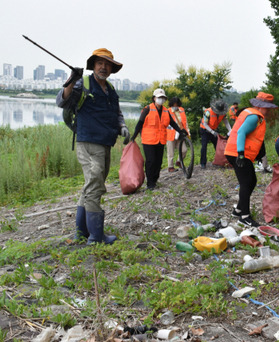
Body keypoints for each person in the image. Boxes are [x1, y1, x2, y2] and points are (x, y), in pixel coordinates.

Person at [56, 48, 130, 245]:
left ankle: (81, 233)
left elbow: (117, 113)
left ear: (112, 69)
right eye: (100, 63)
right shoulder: (83, 83)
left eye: (107, 65)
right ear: (93, 65)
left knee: (91, 186)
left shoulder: (111, 90)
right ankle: (96, 237)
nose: (103, 67)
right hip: (88, 143)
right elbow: (61, 101)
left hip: (105, 144)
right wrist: (72, 80)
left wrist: (122, 126)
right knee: (95, 186)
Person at [225, 92, 278, 227]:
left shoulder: (252, 114)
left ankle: (238, 210)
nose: (268, 110)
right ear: (260, 106)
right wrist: (241, 154)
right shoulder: (254, 116)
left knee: (251, 180)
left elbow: (256, 138)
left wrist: (259, 155)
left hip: (239, 152)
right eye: (267, 107)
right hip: (238, 153)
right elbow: (241, 132)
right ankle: (244, 216)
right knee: (246, 182)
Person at [131, 89, 186, 189]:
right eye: (159, 97)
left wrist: (180, 130)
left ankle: (155, 180)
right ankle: (150, 183)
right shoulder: (148, 109)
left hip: (160, 140)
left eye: (163, 98)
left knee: (158, 162)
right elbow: (140, 123)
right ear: (154, 98)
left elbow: (172, 123)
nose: (161, 100)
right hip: (148, 140)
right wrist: (133, 136)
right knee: (151, 161)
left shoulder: (165, 110)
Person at [199, 99, 232, 169]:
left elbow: (225, 121)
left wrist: (230, 130)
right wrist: (212, 132)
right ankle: (203, 163)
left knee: (218, 145)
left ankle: (220, 161)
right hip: (205, 130)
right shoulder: (208, 112)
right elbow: (205, 124)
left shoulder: (223, 112)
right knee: (204, 146)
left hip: (214, 130)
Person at [166, 97, 190, 172]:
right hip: (171, 134)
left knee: (184, 150)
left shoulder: (182, 110)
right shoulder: (167, 111)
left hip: (180, 134)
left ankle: (179, 161)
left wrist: (187, 132)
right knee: (171, 152)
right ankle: (170, 167)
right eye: (173, 105)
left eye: (176, 105)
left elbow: (185, 122)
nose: (175, 107)